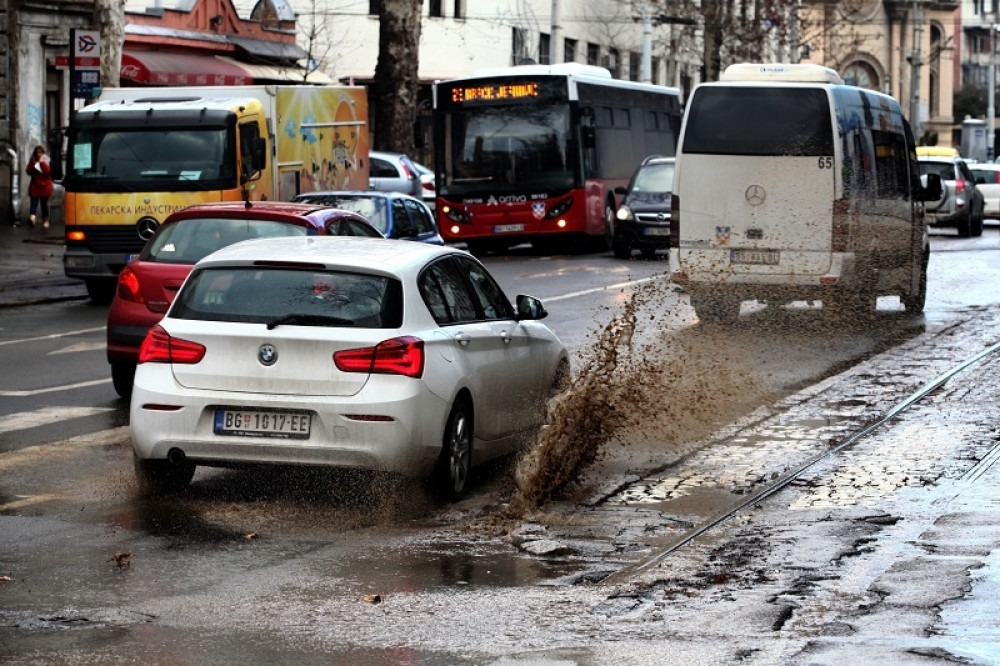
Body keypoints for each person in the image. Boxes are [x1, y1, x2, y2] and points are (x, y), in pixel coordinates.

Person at [25, 145, 54, 229]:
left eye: (40, 153)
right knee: (33, 203)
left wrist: (42, 162)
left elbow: (48, 172)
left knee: (44, 204)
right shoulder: (33, 160)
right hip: (35, 186)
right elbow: (28, 171)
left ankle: (45, 221)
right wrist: (33, 164)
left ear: (43, 153)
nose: (38, 154)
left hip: (45, 187)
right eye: (37, 153)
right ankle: (32, 219)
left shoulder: (46, 160)